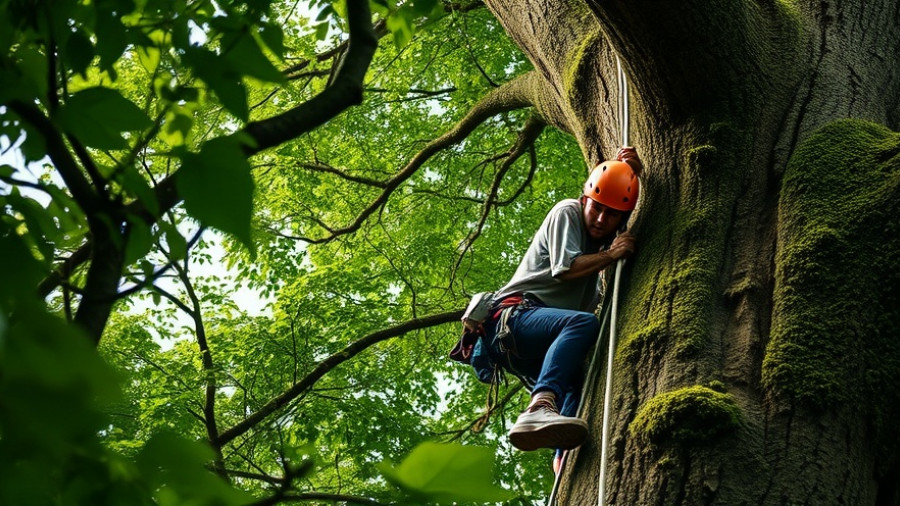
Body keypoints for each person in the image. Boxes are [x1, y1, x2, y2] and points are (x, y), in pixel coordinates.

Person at [467, 147, 642, 463]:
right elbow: (565, 269)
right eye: (597, 208)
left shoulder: (600, 245)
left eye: (612, 214)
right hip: (513, 317)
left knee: (578, 382)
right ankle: (539, 407)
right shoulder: (568, 213)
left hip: (528, 347)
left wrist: (629, 173)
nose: (601, 219)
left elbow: (621, 223)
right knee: (583, 323)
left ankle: (562, 459)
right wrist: (611, 255)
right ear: (585, 200)